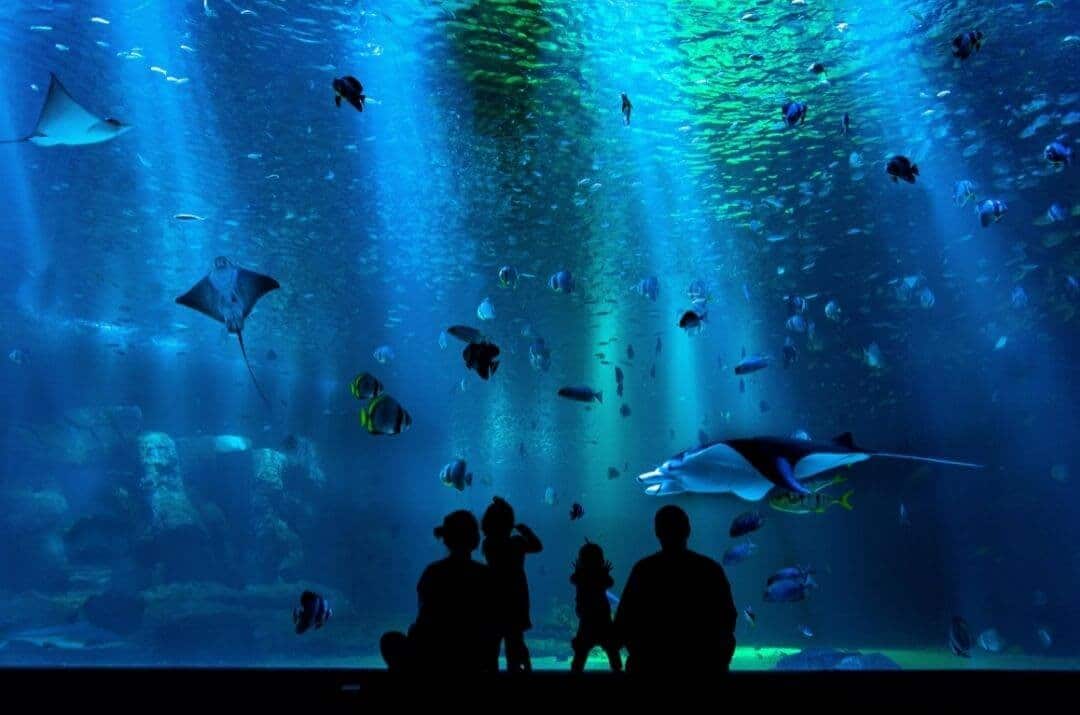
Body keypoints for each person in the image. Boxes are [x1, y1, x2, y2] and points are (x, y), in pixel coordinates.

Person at [613, 505, 736, 675]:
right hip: (703, 667)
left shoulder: (644, 570)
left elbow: (624, 621)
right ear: (688, 530)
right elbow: (728, 619)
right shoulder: (710, 569)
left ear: (657, 532)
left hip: (650, 666)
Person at [380, 510, 497, 673]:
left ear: (446, 540)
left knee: (389, 640)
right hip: (475, 659)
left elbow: (425, 619)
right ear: (476, 540)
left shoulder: (432, 573)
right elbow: (493, 624)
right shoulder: (486, 576)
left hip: (434, 659)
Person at [481, 496, 542, 672]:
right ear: (510, 522)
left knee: (492, 642)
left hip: (494, 598)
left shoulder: (488, 544)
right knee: (515, 640)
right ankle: (520, 669)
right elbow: (538, 546)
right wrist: (526, 531)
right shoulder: (517, 543)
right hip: (516, 598)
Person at [569, 540, 622, 673]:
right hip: (603, 619)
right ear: (601, 560)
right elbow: (610, 582)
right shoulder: (600, 577)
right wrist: (604, 574)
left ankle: (576, 672)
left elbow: (573, 579)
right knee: (612, 650)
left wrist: (579, 571)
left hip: (587, 621)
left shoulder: (580, 577)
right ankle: (617, 671)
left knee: (580, 654)